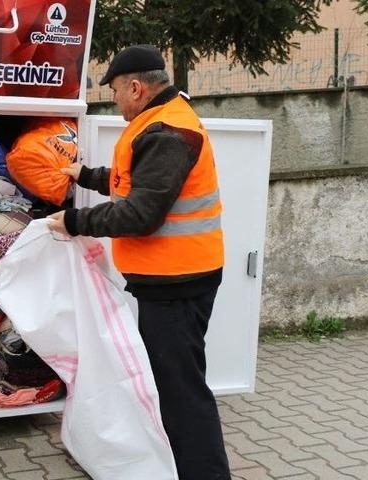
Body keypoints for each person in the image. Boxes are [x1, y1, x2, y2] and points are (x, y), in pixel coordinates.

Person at [48, 45, 231, 480]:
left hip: (179, 284)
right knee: (174, 384)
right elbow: (132, 184)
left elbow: (140, 214)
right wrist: (86, 175)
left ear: (136, 86)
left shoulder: (167, 132)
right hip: (171, 281)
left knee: (182, 392)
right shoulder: (159, 123)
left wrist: (75, 221)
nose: (114, 99)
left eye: (115, 90)